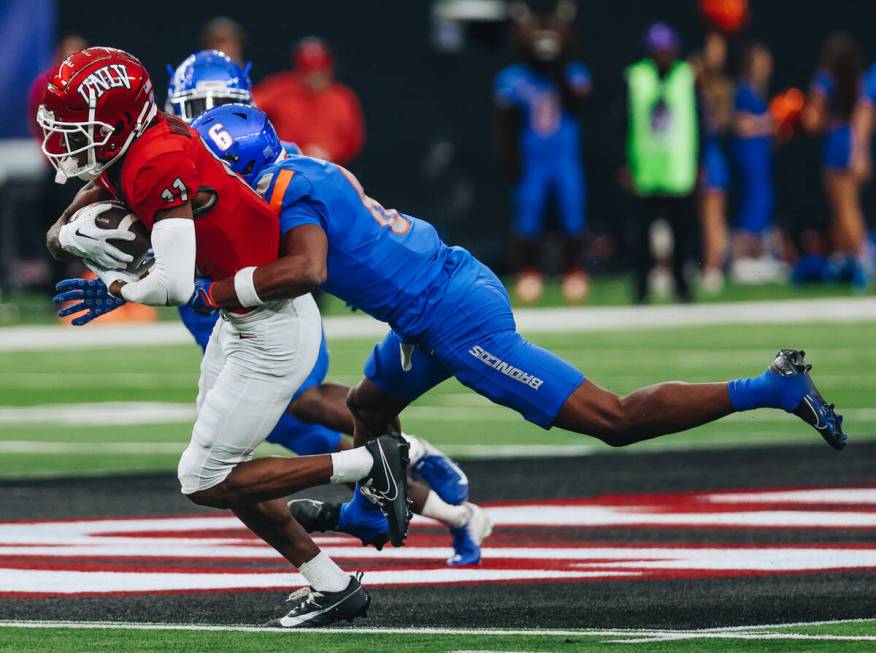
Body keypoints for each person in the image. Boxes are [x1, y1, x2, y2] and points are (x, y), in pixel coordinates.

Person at [165, 106, 844, 486]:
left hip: (454, 318)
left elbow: (308, 270)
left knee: (613, 418)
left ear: (242, 169)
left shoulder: (289, 194)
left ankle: (770, 387)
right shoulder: (295, 166)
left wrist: (215, 287)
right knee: (368, 407)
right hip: (431, 301)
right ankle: (381, 499)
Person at [37, 46, 408, 627]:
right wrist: (63, 235)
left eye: (76, 127)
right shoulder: (141, 139)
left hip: (270, 326)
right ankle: (329, 583)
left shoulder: (156, 159)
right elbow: (99, 192)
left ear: (117, 121)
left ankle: (367, 463)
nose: (63, 139)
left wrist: (116, 284)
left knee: (202, 478)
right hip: (243, 323)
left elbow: (175, 284)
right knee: (227, 472)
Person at [162, 50, 490, 565]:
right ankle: (458, 514)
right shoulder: (173, 158)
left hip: (258, 305)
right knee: (304, 436)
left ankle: (414, 463)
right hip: (221, 313)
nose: (205, 120)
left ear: (241, 107)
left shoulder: (270, 155)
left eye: (217, 106)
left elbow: (309, 232)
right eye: (194, 106)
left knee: (301, 405)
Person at [495, 0, 591, 304]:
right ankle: (528, 271)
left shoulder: (572, 73)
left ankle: (574, 271)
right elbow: (505, 126)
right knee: (528, 216)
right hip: (532, 159)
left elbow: (576, 103)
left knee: (572, 212)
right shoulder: (513, 79)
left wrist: (558, 62)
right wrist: (510, 161)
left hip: (564, 157)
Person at [623, 23, 700, 304]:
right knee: (641, 238)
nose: (663, 55)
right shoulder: (636, 76)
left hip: (679, 171)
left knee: (682, 236)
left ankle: (683, 287)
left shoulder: (687, 76)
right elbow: (623, 122)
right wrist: (626, 164)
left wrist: (699, 162)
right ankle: (641, 289)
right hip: (646, 170)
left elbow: (699, 121)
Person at [803, 34, 869, 288]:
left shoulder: (824, 80)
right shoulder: (858, 80)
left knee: (845, 207)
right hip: (851, 139)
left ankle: (862, 259)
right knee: (844, 208)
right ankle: (845, 260)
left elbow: (812, 119)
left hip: (835, 142)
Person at [254, 37, 364, 165]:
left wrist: (330, 153)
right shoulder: (280, 89)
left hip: (329, 168)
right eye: (309, 74)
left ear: (330, 70)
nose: (315, 79)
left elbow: (353, 141)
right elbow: (249, 109)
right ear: (298, 72)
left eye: (320, 73)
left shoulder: (342, 99)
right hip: (285, 166)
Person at [691, 31, 732, 294]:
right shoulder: (689, 81)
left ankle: (713, 269)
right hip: (691, 156)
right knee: (694, 217)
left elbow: (722, 122)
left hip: (710, 155)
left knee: (713, 216)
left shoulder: (722, 87)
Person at [731, 42, 777, 275]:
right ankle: (740, 258)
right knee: (754, 200)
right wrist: (768, 122)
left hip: (761, 152)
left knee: (764, 200)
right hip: (749, 152)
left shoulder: (760, 90)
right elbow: (738, 123)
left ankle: (758, 257)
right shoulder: (743, 90)